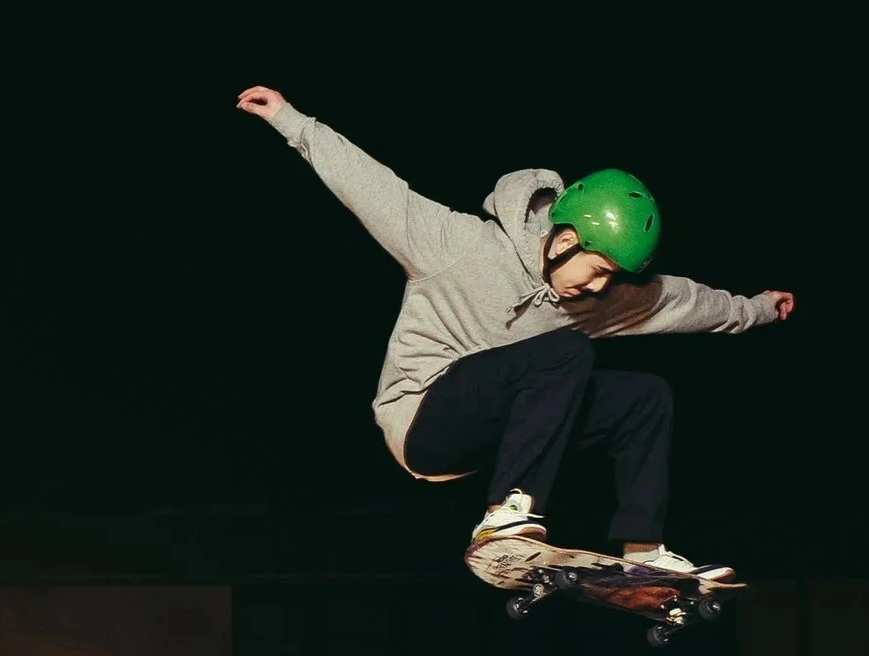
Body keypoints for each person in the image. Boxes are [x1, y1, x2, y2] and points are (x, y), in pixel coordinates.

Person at [236, 86, 795, 578]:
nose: (598, 289)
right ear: (564, 239)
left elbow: (689, 301)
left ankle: (642, 549)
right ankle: (504, 520)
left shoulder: (608, 300)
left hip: (502, 429)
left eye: (613, 279)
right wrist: (292, 121)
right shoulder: (460, 246)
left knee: (646, 397)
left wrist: (761, 308)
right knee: (566, 351)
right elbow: (376, 189)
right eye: (597, 270)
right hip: (424, 420)